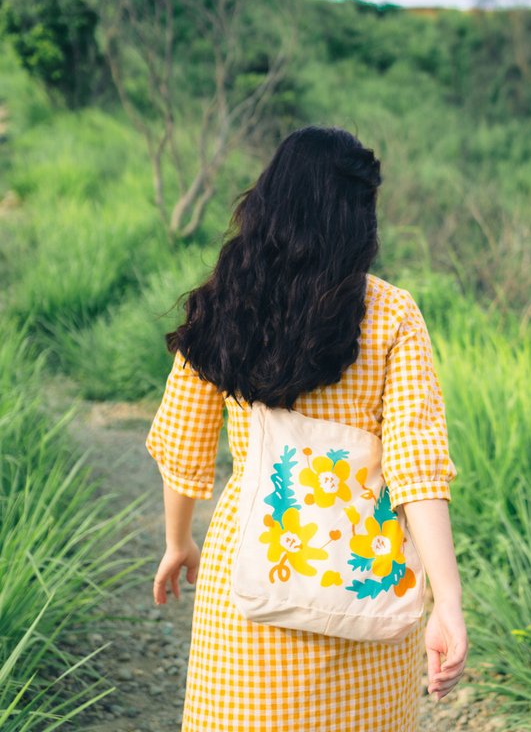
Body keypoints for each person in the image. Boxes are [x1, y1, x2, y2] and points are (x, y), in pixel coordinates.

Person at [144, 125, 468, 731]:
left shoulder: (225, 303)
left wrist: (178, 542)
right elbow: (416, 465)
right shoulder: (393, 315)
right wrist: (446, 601)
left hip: (249, 589)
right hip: (366, 594)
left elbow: (184, 449)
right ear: (356, 219)